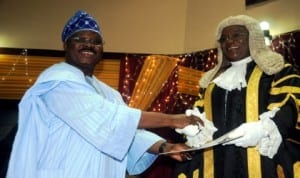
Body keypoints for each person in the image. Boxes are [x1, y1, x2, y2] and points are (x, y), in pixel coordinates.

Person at [6, 10, 200, 178]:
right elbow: (111, 120)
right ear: (66, 45)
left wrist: (166, 148)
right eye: (80, 39)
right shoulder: (58, 82)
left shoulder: (108, 94)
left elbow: (128, 132)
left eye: (95, 41)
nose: (89, 45)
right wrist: (173, 120)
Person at [173, 15, 300, 178]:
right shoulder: (211, 80)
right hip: (217, 161)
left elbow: (290, 105)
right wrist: (194, 128)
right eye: (224, 38)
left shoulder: (277, 70)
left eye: (237, 35)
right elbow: (200, 111)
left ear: (253, 38)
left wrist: (264, 129)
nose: (229, 42)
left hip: (263, 160)